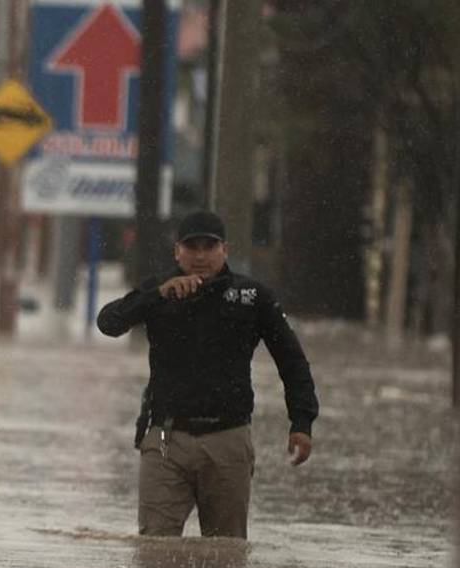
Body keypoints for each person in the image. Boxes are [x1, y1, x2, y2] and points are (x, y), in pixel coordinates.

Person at [96, 211, 318, 539]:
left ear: (224, 250)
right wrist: (158, 295)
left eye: (209, 246)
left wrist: (302, 422)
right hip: (165, 439)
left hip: (228, 437)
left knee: (226, 551)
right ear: (177, 251)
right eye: (192, 247)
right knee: (155, 548)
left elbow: (292, 360)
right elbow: (108, 322)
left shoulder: (251, 297)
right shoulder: (160, 292)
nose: (200, 256)